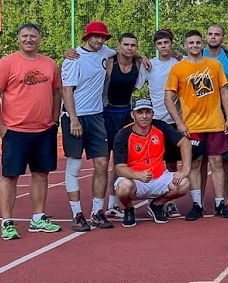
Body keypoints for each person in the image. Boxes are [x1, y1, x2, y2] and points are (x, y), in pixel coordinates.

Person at [0, 23, 63, 240]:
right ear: (18, 39)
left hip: (44, 131)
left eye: (33, 35)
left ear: (40, 39)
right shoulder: (7, 63)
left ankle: (38, 218)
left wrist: (55, 120)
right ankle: (7, 222)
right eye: (25, 35)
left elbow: (56, 93)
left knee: (41, 175)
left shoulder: (49, 64)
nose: (29, 39)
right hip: (15, 131)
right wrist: (1, 127)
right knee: (10, 176)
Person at [165, 30, 228, 220]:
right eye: (191, 43)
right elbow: (169, 98)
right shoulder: (178, 69)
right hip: (191, 125)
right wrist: (179, 122)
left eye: (197, 42)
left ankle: (220, 203)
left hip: (215, 123)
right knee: (195, 164)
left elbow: (224, 92)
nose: (194, 46)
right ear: (185, 46)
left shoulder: (214, 65)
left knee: (217, 163)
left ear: (201, 44)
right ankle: (197, 204)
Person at [61, 21, 118, 231]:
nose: (100, 40)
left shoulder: (105, 51)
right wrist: (74, 119)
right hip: (74, 117)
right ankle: (77, 214)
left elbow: (122, 51)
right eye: (96, 37)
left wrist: (142, 57)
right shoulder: (73, 59)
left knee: (102, 163)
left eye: (103, 37)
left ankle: (97, 212)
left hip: (97, 117)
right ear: (87, 37)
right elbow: (67, 91)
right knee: (74, 165)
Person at [113, 99, 193, 228]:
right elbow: (119, 168)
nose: (144, 116)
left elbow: (185, 143)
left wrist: (185, 170)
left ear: (152, 113)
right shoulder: (123, 134)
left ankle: (156, 205)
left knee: (184, 183)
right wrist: (138, 175)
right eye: (140, 112)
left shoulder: (160, 127)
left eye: (147, 112)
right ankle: (129, 209)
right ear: (133, 115)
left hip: (159, 177)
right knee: (123, 187)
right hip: (136, 180)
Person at [139, 29, 182, 217]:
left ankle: (170, 202)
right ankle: (153, 199)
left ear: (171, 43)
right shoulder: (149, 65)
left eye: (166, 42)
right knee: (153, 163)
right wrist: (139, 57)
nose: (163, 46)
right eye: (159, 43)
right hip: (154, 120)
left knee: (172, 164)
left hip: (173, 120)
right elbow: (137, 85)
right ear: (155, 46)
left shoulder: (179, 64)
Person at [103, 33, 146, 218]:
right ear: (118, 45)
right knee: (102, 162)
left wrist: (141, 57)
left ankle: (113, 204)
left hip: (126, 116)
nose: (129, 48)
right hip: (107, 114)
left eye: (133, 45)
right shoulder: (109, 62)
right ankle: (99, 206)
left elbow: (137, 86)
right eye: (126, 44)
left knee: (121, 162)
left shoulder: (138, 64)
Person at [203, 24, 228, 206]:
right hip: (201, 111)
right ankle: (197, 201)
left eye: (217, 34)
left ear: (223, 38)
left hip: (223, 112)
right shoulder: (197, 54)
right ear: (206, 36)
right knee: (199, 160)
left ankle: (224, 199)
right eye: (210, 34)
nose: (213, 37)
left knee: (223, 158)